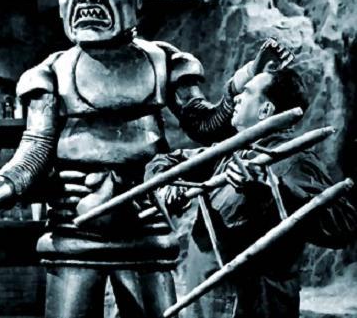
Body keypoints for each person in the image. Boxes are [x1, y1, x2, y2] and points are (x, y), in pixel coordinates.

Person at [0, 0, 291, 318]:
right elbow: (32, 156)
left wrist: (243, 80)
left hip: (146, 236)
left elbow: (206, 125)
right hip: (73, 236)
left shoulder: (164, 63)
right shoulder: (51, 74)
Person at [145, 68, 357, 318]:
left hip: (251, 306)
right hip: (209, 304)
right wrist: (166, 185)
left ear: (265, 110)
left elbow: (343, 225)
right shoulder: (233, 151)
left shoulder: (293, 160)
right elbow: (167, 161)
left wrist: (269, 191)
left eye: (246, 92)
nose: (236, 98)